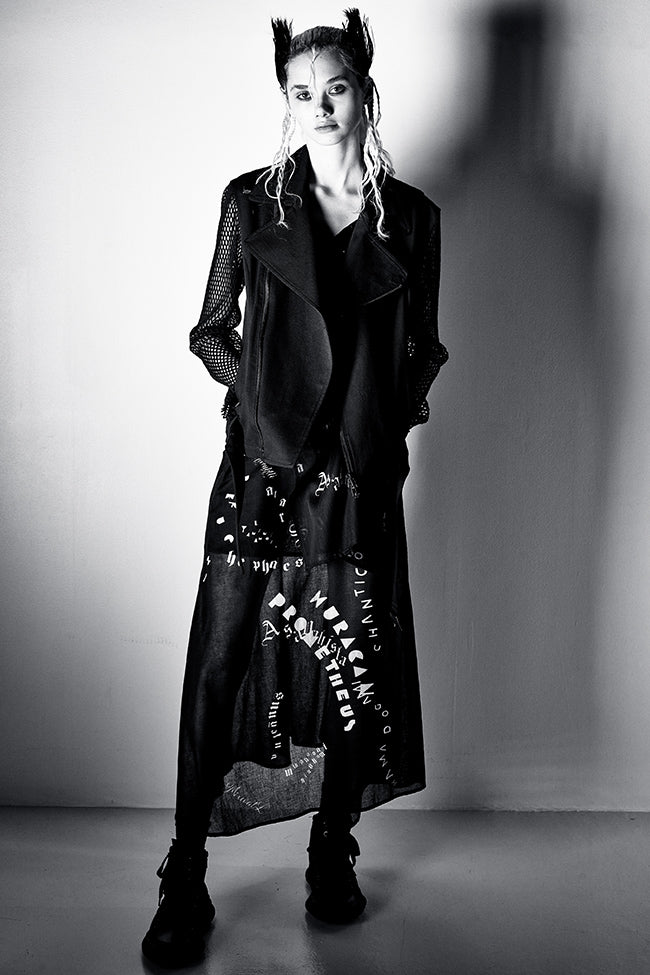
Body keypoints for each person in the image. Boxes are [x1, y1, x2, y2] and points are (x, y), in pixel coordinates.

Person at [142, 8, 448, 968]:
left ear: (366, 93)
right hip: (262, 469)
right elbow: (210, 328)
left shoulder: (413, 219)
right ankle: (185, 867)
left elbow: (423, 349)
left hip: (355, 478)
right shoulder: (253, 202)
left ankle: (331, 846)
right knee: (221, 656)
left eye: (335, 88)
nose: (319, 106)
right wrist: (266, 399)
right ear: (287, 101)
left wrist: (376, 431)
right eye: (300, 92)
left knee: (352, 665)